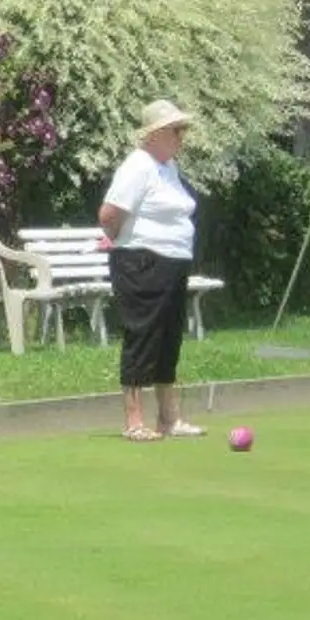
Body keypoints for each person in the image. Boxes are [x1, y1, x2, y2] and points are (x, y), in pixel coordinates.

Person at [98, 99, 204, 442]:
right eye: (176, 130)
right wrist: (120, 240)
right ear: (156, 133)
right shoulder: (138, 165)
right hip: (142, 261)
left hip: (173, 261)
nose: (181, 138)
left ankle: (169, 418)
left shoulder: (167, 167)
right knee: (142, 336)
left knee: (169, 337)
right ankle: (134, 421)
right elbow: (109, 215)